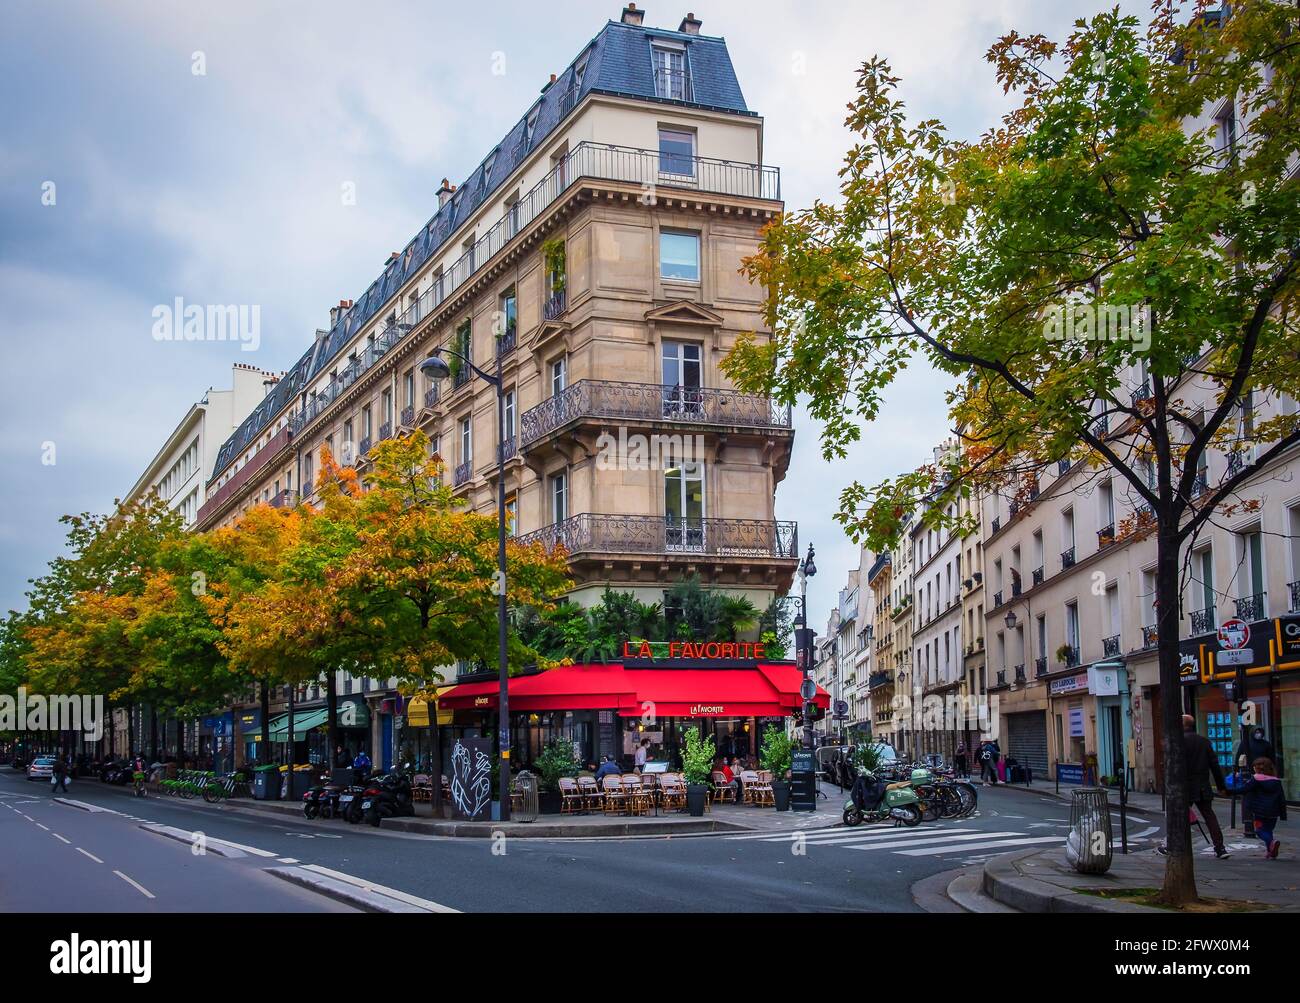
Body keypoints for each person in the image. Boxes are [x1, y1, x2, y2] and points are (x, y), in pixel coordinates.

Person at [1159, 714, 1230, 859]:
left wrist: (1169, 784)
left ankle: (1171, 844)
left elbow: (1172, 766)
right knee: (1209, 816)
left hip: (1183, 786)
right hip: (1202, 785)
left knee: (1177, 816)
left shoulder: (1178, 742)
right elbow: (1214, 765)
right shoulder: (1204, 742)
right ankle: (1220, 848)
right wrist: (1221, 786)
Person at [1238, 757, 1286, 858]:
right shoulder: (1276, 781)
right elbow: (1282, 798)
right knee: (1268, 830)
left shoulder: (1256, 779)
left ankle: (1271, 842)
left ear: (1257, 768)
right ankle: (1271, 851)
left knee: (1259, 830)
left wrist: (1229, 791)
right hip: (1274, 812)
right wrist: (1282, 813)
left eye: (1254, 767)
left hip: (1260, 811)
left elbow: (1245, 789)